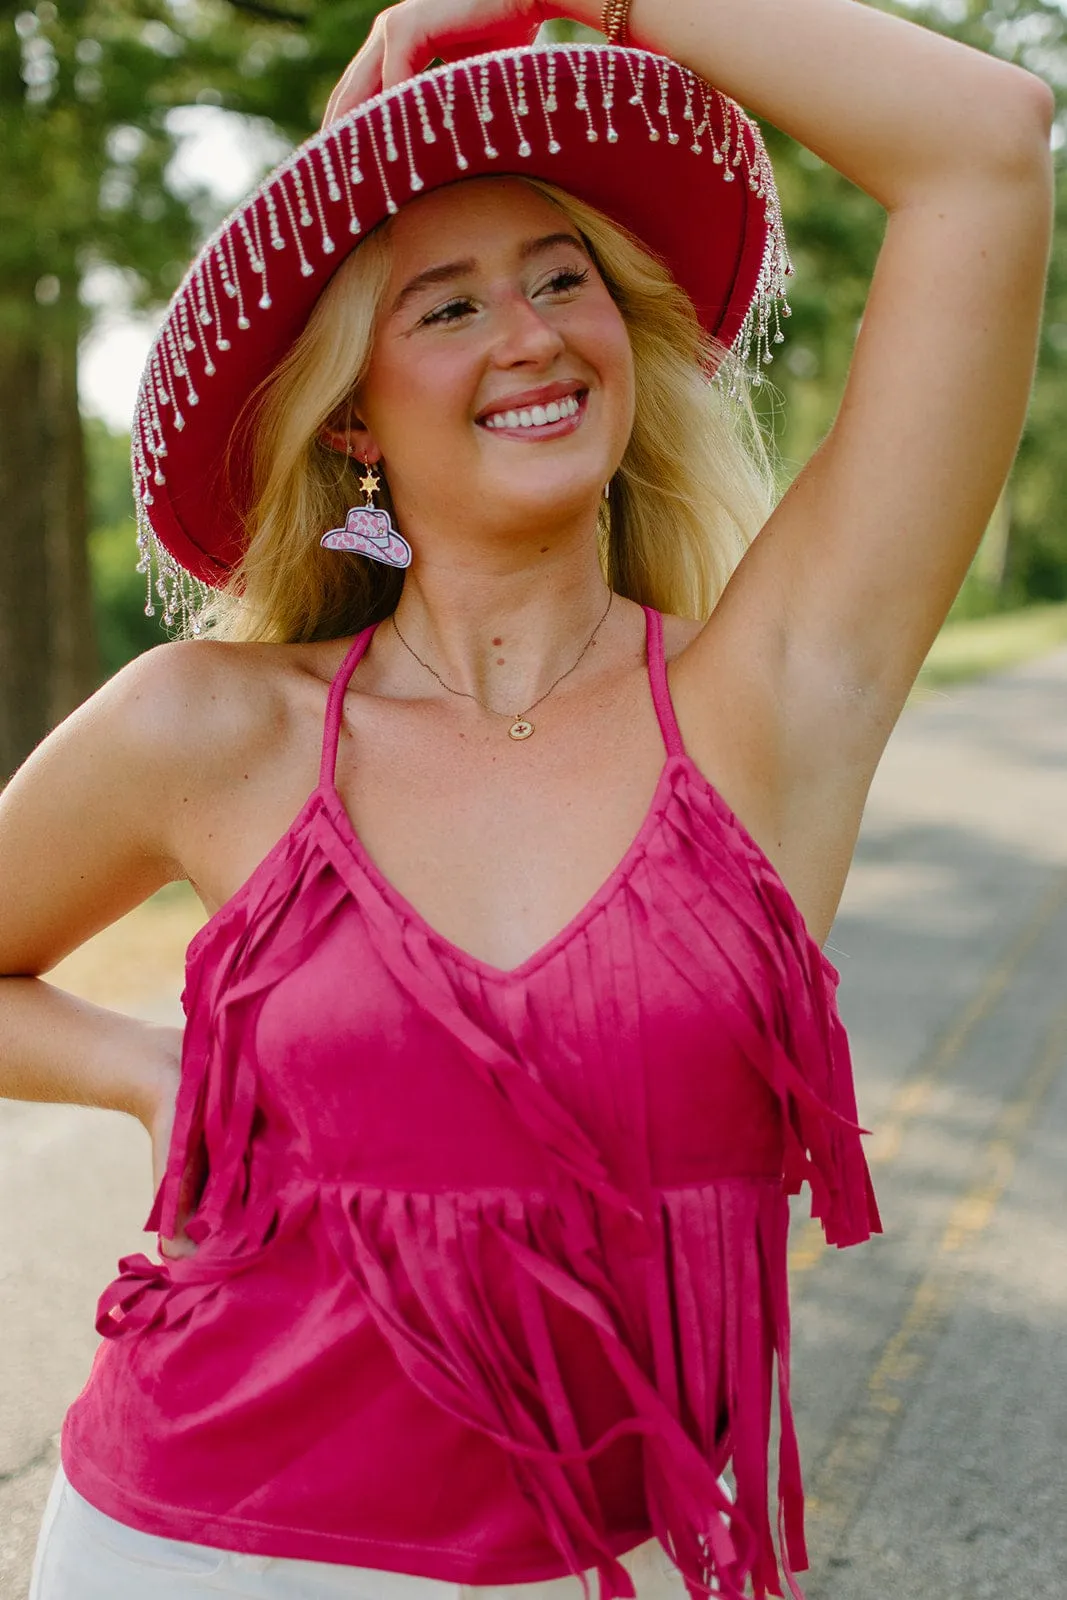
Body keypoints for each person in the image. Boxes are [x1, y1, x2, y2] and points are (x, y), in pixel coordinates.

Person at [2, 0, 1052, 1593]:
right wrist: (152, 1073)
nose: (531, 334)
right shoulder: (213, 728)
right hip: (189, 1546)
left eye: (562, 279)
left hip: (600, 1566)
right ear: (351, 419)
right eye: (444, 307)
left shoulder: (768, 700)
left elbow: (983, 149)